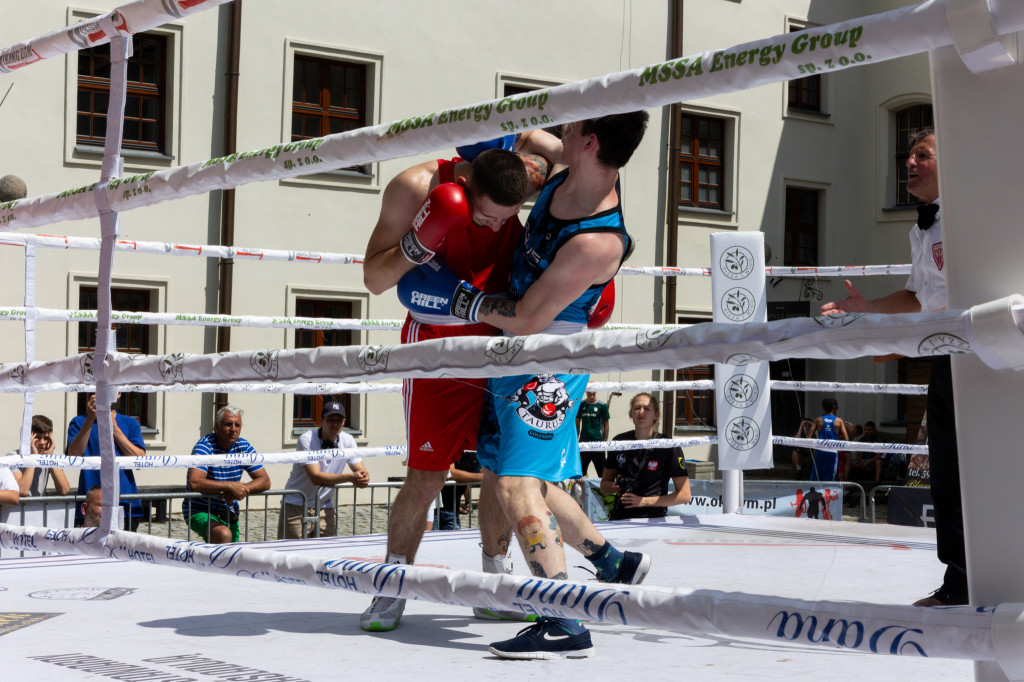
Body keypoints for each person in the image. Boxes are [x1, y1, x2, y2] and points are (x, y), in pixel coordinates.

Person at [400, 111, 652, 659]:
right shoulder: (571, 162)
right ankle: (612, 560)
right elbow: (511, 136)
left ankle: (561, 618)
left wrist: (460, 299)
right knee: (508, 475)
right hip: (511, 354)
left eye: (574, 124)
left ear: (590, 142)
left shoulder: (599, 241)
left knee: (516, 486)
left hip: (545, 364)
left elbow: (533, 316)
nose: (561, 126)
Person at [359, 131, 560, 632]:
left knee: (501, 470)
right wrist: (421, 239)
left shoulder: (527, 175)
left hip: (501, 340)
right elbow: (375, 279)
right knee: (427, 475)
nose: (497, 225)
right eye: (487, 214)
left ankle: (495, 582)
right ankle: (392, 587)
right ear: (465, 184)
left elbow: (572, 158)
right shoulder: (415, 187)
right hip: (438, 344)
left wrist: (525, 135)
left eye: (506, 217)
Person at [821, 128, 965, 607]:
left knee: (985, 463)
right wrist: (867, 307)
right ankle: (960, 578)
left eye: (922, 154)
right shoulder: (920, 228)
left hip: (985, 351)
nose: (909, 162)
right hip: (947, 354)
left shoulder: (973, 214)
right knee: (947, 466)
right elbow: (916, 297)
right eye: (908, 155)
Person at [279, 401, 369, 539]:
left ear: (344, 421)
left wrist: (363, 477)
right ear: (321, 420)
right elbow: (315, 477)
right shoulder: (307, 439)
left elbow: (361, 470)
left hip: (325, 506)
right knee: (292, 555)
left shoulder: (348, 440)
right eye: (330, 420)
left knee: (326, 554)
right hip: (296, 505)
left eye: (339, 420)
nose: (335, 424)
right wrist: (352, 477)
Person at [184, 406, 270, 544]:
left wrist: (243, 489)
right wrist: (229, 486)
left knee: (229, 554)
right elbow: (194, 482)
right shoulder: (204, 446)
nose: (233, 429)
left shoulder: (244, 446)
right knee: (223, 535)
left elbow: (265, 480)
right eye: (228, 424)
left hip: (228, 510)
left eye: (237, 425)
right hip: (199, 509)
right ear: (216, 426)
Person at [600, 393, 690, 520]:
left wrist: (643, 501)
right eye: (637, 408)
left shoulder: (668, 445)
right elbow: (604, 486)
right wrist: (613, 487)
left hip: (653, 519)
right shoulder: (619, 441)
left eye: (647, 409)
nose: (641, 412)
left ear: (656, 415)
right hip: (620, 518)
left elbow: (685, 495)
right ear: (630, 413)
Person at [67, 393, 146, 530]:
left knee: (123, 549)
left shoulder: (130, 423)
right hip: (91, 502)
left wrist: (113, 427)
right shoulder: (78, 422)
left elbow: (139, 460)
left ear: (119, 394)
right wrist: (90, 419)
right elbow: (73, 456)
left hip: (125, 503)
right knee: (89, 550)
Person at [6, 415, 71, 497]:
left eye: (46, 438)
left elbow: (64, 490)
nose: (42, 442)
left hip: (38, 508)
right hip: (17, 509)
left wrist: (50, 459)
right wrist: (33, 458)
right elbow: (22, 491)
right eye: (37, 437)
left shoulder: (51, 455)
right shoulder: (13, 456)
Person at [435, 450, 482, 531]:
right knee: (429, 540)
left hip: (452, 511)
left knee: (452, 541)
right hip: (433, 510)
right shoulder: (447, 449)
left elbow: (487, 472)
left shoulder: (474, 455)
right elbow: (449, 473)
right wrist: (484, 477)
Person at [810, 398, 849, 482]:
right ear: (834, 407)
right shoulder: (839, 421)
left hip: (820, 451)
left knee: (817, 477)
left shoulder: (818, 420)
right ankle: (827, 495)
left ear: (823, 407)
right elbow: (846, 439)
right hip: (832, 452)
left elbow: (809, 437)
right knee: (830, 478)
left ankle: (815, 495)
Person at [576, 390, 610, 477]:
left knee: (602, 474)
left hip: (597, 445)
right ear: (586, 391)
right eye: (589, 390)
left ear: (596, 391)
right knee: (580, 474)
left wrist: (604, 443)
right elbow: (577, 422)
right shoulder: (581, 404)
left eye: (593, 390)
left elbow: (606, 424)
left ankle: (602, 490)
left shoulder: (602, 405)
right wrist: (576, 441)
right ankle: (583, 490)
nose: (591, 392)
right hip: (583, 444)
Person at [846, 420, 882, 485]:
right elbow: (859, 455)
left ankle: (877, 483)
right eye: (865, 430)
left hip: (872, 460)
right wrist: (861, 461)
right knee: (849, 461)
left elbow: (878, 455)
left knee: (878, 462)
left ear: (874, 430)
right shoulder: (862, 440)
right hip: (863, 461)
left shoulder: (877, 440)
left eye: (869, 430)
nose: (867, 432)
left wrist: (868, 462)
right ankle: (848, 483)